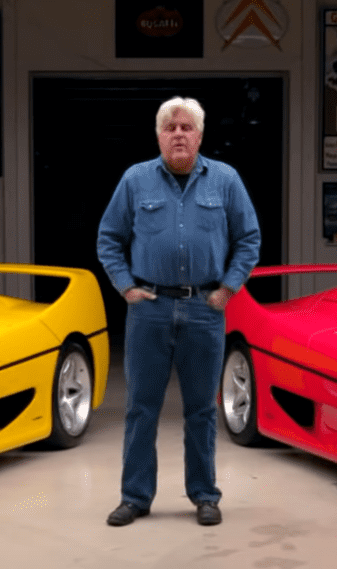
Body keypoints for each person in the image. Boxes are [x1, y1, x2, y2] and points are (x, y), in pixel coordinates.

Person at [97, 96, 261, 527]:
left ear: (201, 136)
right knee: (140, 407)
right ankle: (134, 497)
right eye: (170, 128)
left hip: (204, 309)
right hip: (148, 309)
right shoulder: (135, 181)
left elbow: (249, 238)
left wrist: (227, 289)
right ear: (158, 136)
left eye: (187, 128)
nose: (178, 135)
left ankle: (205, 495)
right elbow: (108, 238)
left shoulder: (225, 180)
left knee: (202, 410)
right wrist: (126, 287)